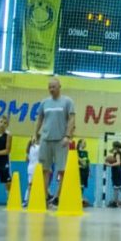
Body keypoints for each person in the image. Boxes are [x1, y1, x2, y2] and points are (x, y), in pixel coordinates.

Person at [34, 77, 75, 205]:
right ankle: (45, 196)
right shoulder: (44, 103)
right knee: (44, 169)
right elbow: (40, 119)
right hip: (45, 139)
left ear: (59, 87)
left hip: (60, 141)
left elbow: (72, 119)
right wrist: (35, 134)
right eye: (49, 87)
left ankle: (58, 197)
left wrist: (67, 136)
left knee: (62, 170)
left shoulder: (68, 101)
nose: (51, 89)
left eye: (54, 87)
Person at [104, 141, 121, 208]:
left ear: (115, 146)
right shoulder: (117, 152)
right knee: (119, 186)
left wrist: (109, 164)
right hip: (118, 171)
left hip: (117, 171)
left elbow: (118, 162)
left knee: (116, 187)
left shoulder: (117, 153)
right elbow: (111, 151)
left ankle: (117, 202)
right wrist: (113, 150)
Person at [24, 135, 41, 205]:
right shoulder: (38, 147)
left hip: (30, 168)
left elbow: (26, 159)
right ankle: (28, 200)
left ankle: (26, 200)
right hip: (36, 168)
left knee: (30, 185)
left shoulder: (29, 148)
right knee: (32, 185)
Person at [76, 138, 92, 208]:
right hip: (79, 170)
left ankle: (81, 198)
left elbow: (88, 162)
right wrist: (80, 163)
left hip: (85, 170)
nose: (85, 144)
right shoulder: (76, 152)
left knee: (83, 185)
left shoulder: (86, 152)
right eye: (84, 142)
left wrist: (89, 171)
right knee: (79, 184)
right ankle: (78, 198)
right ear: (79, 143)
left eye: (86, 143)